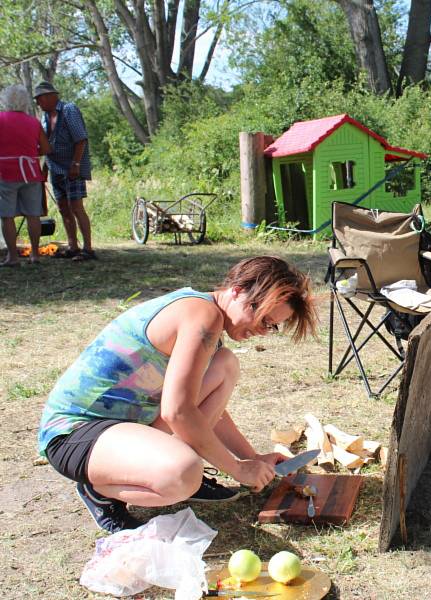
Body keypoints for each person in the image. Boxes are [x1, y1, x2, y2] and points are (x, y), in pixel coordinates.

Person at [37, 256, 317, 533]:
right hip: (75, 434)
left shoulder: (211, 322)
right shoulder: (202, 317)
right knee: (183, 474)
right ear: (237, 290)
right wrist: (236, 469)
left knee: (225, 364)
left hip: (124, 428)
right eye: (262, 317)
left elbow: (202, 406)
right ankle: (99, 491)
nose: (262, 330)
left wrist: (252, 458)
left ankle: (150, 466)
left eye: (272, 325)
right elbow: (178, 412)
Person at [32, 81, 95, 261]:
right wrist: (44, 168)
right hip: (55, 168)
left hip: (71, 167)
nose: (38, 103)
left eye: (39, 99)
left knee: (76, 207)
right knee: (63, 208)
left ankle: (88, 248)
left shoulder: (68, 110)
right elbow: (48, 146)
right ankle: (72, 246)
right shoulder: (45, 117)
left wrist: (76, 164)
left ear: (50, 96)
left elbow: (81, 139)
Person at [0, 84, 51, 266]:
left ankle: (13, 256)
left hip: (5, 172)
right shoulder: (34, 122)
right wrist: (29, 150)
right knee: (33, 215)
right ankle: (35, 254)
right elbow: (46, 149)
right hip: (30, 171)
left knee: (7, 216)